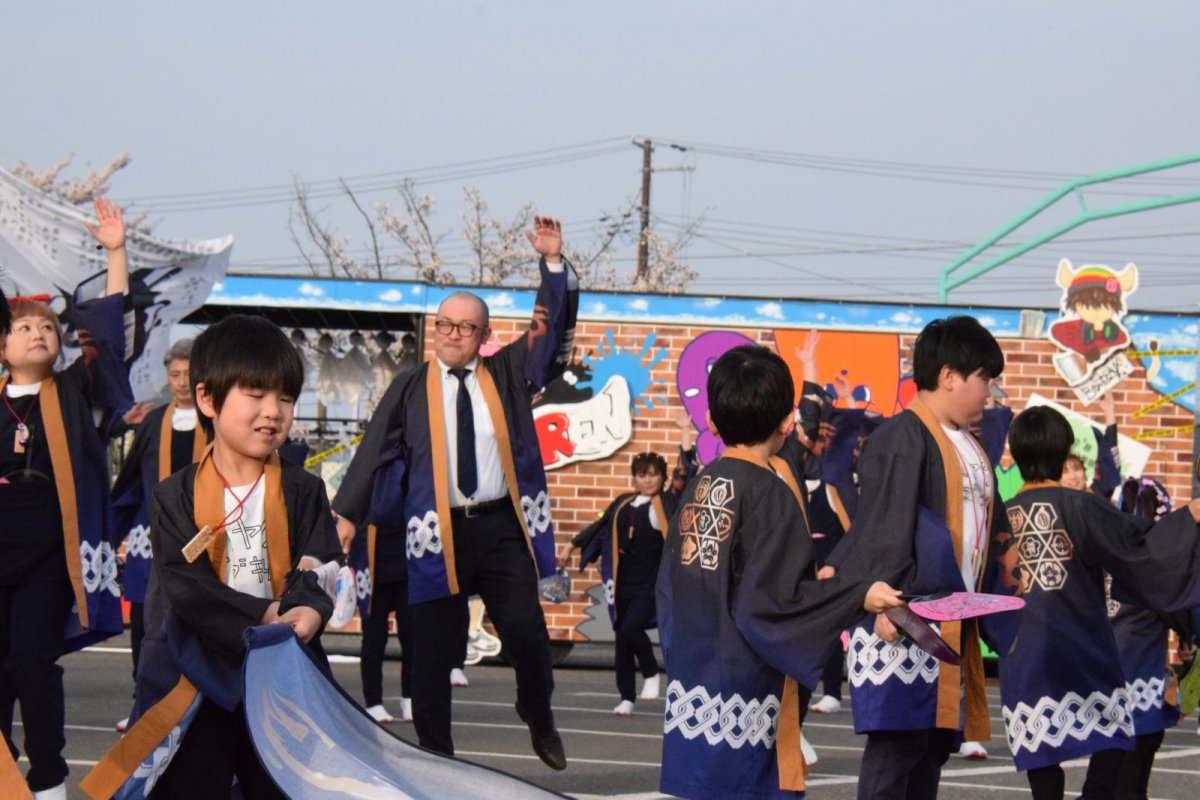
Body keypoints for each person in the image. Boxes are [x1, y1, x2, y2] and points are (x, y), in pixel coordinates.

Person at [334, 215, 579, 767]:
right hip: (434, 533)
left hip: (498, 530)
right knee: (430, 658)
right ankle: (437, 760)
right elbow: (372, 450)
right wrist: (346, 512)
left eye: (465, 327)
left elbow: (548, 329)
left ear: (484, 336)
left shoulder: (510, 372)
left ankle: (537, 714)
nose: (451, 334)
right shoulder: (408, 387)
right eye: (444, 324)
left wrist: (552, 264)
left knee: (529, 640)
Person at [81, 315, 342, 799]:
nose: (274, 411)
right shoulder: (174, 495)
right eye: (256, 394)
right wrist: (269, 613)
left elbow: (319, 558)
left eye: (285, 397)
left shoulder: (304, 490)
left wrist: (309, 609)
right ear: (208, 399)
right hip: (191, 675)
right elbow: (187, 586)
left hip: (280, 679)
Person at [657, 345, 903, 800]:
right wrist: (857, 597)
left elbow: (669, 589)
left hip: (694, 682)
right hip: (743, 692)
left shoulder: (699, 485)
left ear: (712, 420)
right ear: (786, 422)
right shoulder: (771, 495)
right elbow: (774, 605)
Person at [825, 315, 1010, 800]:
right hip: (903, 618)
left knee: (930, 749)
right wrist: (886, 603)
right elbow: (884, 525)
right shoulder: (901, 437)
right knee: (897, 749)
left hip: (947, 620)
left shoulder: (968, 444)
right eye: (983, 379)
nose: (988, 393)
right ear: (949, 375)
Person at [996, 407, 1200, 800]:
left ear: (1017, 454)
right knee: (1113, 738)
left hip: (1022, 654)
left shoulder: (1001, 515)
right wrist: (1188, 516)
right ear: (1062, 452)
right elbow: (1138, 548)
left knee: (1043, 761)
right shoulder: (1080, 506)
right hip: (1079, 649)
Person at [0, 198, 132, 800]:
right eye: (24, 326)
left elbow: (108, 329)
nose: (37, 332)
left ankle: (48, 774)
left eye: (47, 327)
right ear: (3, 346)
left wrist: (115, 252)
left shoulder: (76, 391)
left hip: (50, 552)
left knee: (30, 659)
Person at [558, 410, 697, 715]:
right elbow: (599, 526)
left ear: (661, 476)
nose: (647, 479)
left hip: (653, 581)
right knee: (622, 637)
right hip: (622, 580)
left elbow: (685, 473)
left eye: (653, 474)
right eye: (641, 474)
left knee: (633, 628)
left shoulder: (667, 502)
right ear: (634, 477)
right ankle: (626, 696)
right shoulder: (622, 503)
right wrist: (571, 545)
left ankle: (650, 671)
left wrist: (685, 432)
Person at [108, 337, 209, 732]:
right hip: (151, 533)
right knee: (146, 619)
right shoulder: (154, 420)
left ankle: (191, 697)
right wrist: (112, 528)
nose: (182, 381)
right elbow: (131, 478)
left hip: (200, 534)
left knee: (192, 614)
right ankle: (143, 699)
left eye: (188, 373)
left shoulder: (212, 420)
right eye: (175, 374)